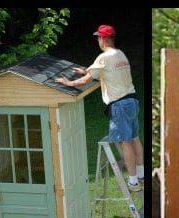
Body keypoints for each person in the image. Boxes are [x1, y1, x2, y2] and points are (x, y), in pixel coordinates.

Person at [55, 24, 144, 191]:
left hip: (119, 105)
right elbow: (101, 71)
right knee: (135, 138)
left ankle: (133, 182)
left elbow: (85, 81)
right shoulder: (120, 54)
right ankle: (141, 174)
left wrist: (68, 82)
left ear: (103, 39)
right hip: (132, 101)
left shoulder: (104, 57)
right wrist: (85, 70)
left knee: (125, 142)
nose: (98, 41)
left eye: (98, 38)